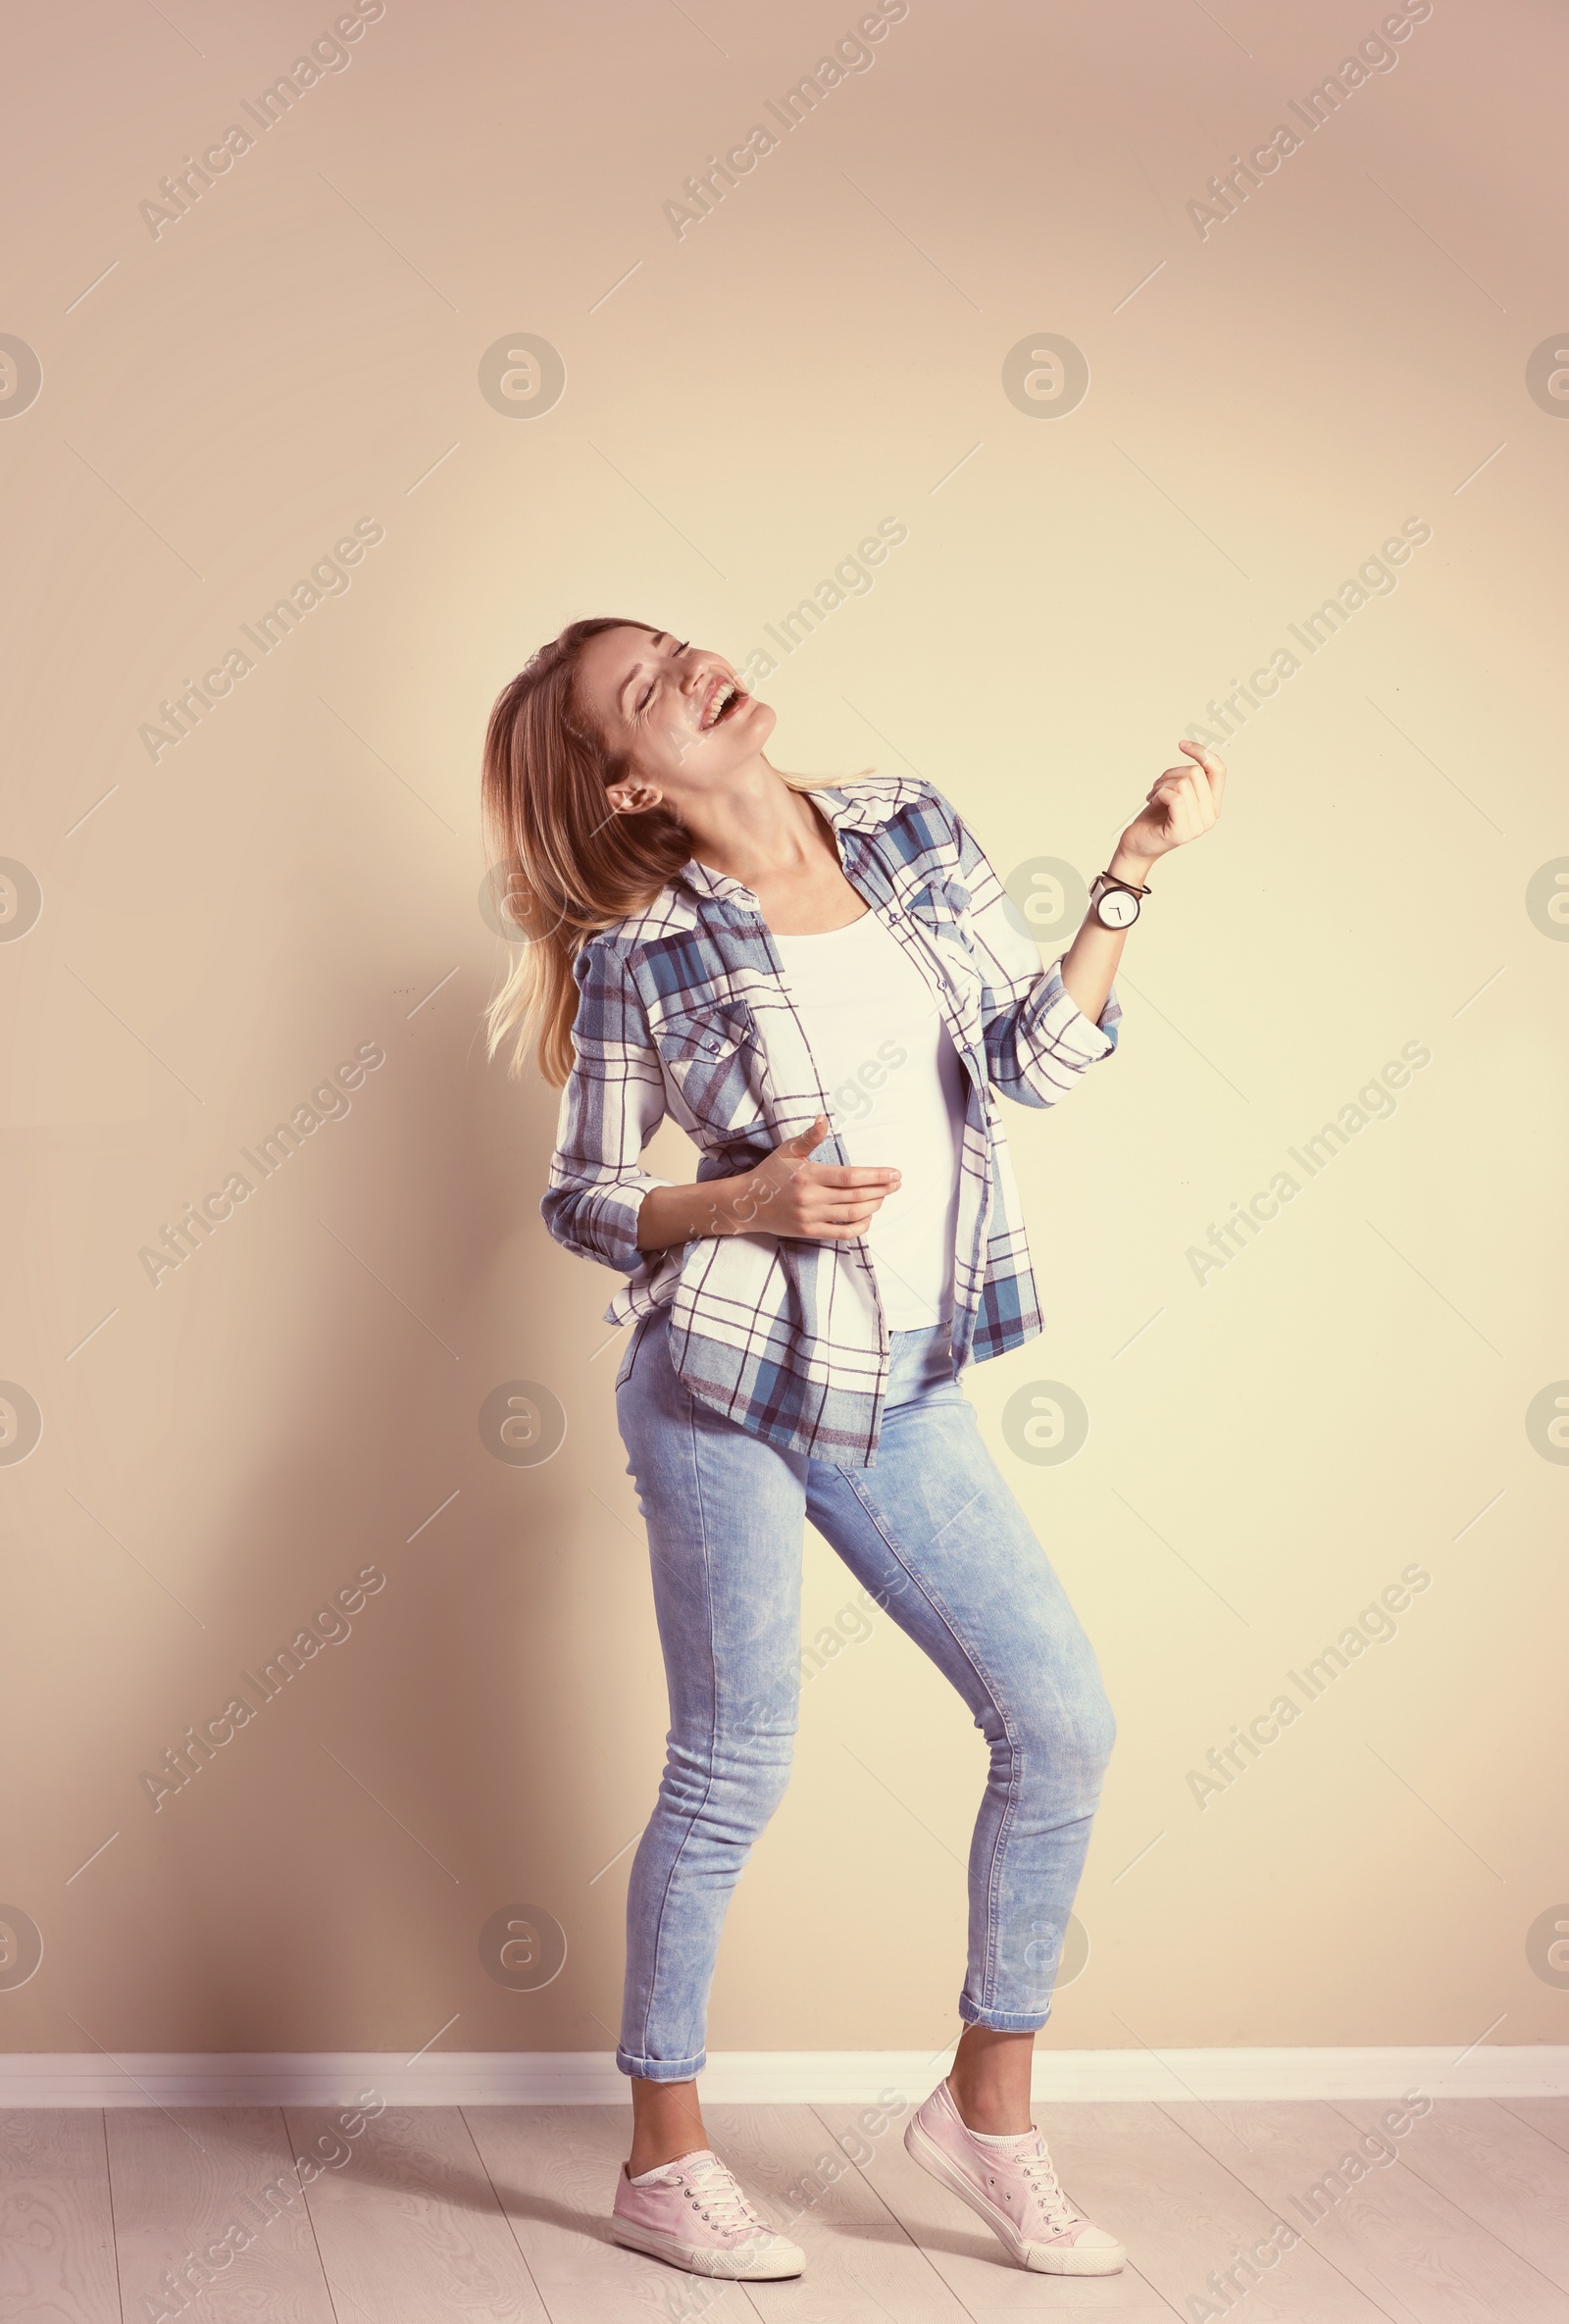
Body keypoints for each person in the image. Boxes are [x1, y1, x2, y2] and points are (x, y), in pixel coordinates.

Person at [481, 619, 1226, 2283]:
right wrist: (740, 1199)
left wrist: (1128, 871)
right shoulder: (641, 946)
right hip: (726, 1375)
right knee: (737, 1757)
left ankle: (987, 2114)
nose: (694, 673)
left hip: (902, 1376)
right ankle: (662, 2161)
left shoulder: (904, 825)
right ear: (629, 777)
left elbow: (1034, 1058)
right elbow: (584, 1195)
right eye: (648, 690)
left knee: (1060, 1720)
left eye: (680, 646)